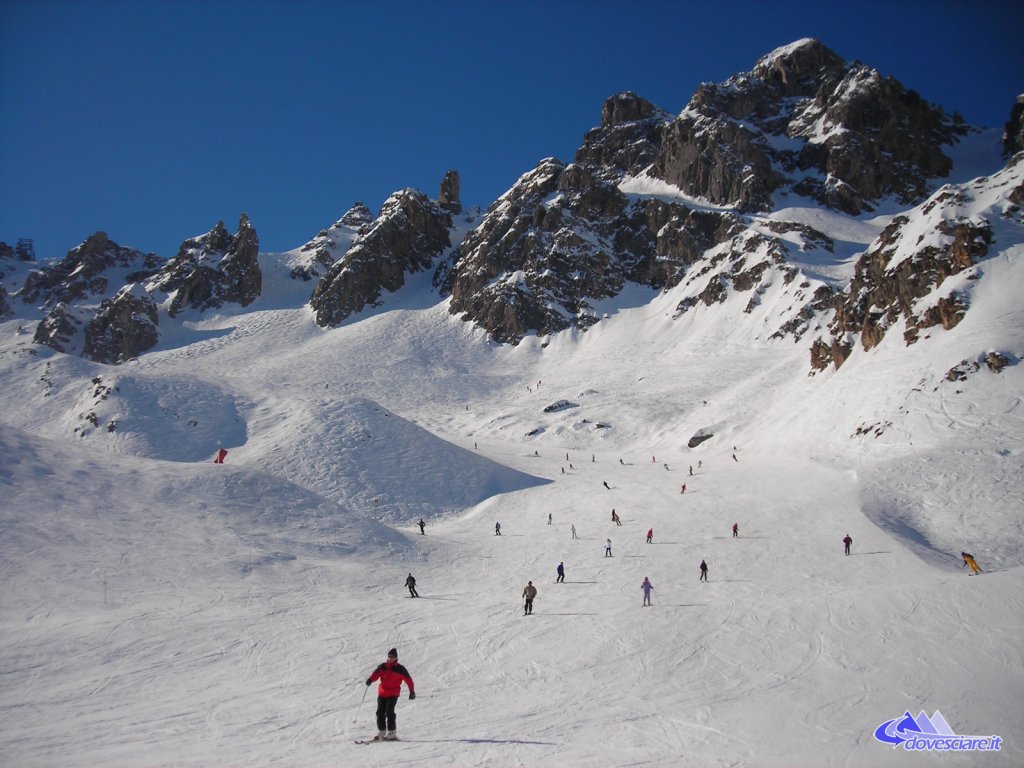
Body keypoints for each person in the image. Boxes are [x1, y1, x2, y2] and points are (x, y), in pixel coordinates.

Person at [365, 648, 415, 741]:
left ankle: (392, 732)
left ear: (396, 658)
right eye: (389, 657)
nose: (390, 659)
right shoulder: (383, 667)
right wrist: (370, 680)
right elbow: (375, 674)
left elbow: (409, 680)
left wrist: (412, 691)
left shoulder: (400, 669)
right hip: (382, 693)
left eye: (392, 657)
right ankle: (382, 731)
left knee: (389, 712)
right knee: (379, 712)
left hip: (393, 694)